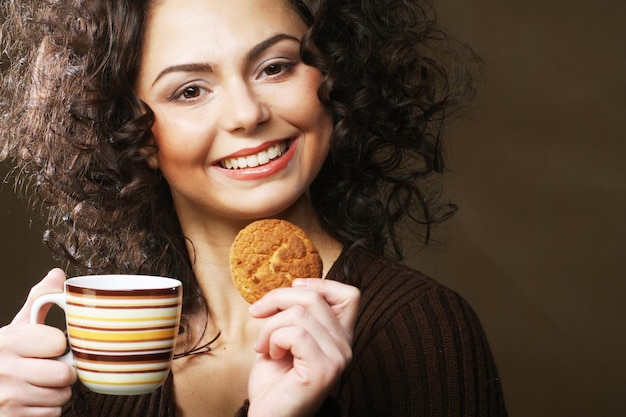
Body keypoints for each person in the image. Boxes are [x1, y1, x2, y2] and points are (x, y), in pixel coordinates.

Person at [0, 0, 507, 416]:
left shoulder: (420, 330)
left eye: (276, 67)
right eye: (190, 91)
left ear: (330, 80)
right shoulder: (81, 363)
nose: (248, 113)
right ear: (135, 135)